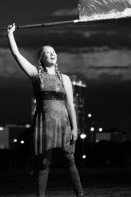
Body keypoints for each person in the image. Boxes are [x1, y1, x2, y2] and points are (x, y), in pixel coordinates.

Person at [7, 23, 84, 197]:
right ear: (42, 58)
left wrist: (75, 128)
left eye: (54, 51)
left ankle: (80, 194)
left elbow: (70, 105)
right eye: (48, 52)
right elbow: (16, 54)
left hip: (63, 123)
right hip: (44, 124)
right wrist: (10, 34)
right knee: (44, 162)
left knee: (69, 159)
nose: (52, 54)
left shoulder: (64, 78)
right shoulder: (35, 74)